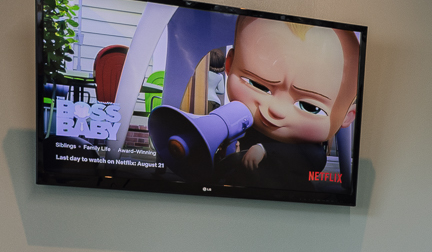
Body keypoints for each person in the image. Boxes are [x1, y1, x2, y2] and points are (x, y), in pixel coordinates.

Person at [148, 15, 360, 191]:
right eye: (257, 85)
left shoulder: (310, 149)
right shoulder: (243, 117)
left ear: (347, 116)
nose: (276, 110)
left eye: (311, 107)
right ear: (229, 65)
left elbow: (315, 159)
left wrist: (264, 149)